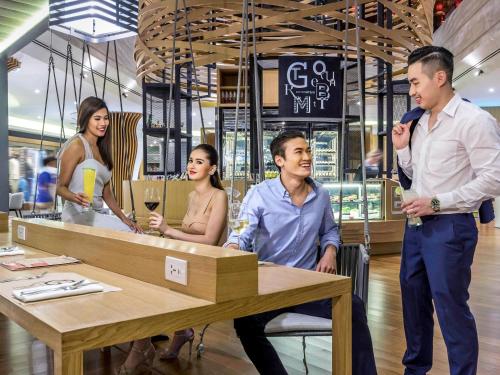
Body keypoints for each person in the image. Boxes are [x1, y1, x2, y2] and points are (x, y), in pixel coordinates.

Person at [225, 130, 377, 375]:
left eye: (308, 151)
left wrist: (330, 251)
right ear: (279, 160)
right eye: (299, 152)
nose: (307, 156)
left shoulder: (321, 195)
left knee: (353, 306)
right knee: (244, 322)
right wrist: (233, 247)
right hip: (269, 288)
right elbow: (241, 230)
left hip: (308, 286)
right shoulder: (258, 194)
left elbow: (330, 231)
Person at [392, 46, 500, 375]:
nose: (411, 92)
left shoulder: (474, 120)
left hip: (451, 228)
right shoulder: (419, 123)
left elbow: (494, 179)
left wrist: (436, 202)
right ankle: (415, 370)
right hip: (415, 228)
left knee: (451, 309)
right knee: (413, 302)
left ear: (439, 77)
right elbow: (417, 177)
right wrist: (401, 151)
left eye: (414, 82)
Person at [116, 144, 228, 374]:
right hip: (186, 261)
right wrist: (164, 233)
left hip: (206, 266)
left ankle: (141, 348)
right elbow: (187, 235)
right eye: (190, 160)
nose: (192, 165)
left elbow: (210, 241)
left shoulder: (220, 197)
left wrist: (168, 230)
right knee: (142, 278)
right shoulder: (191, 195)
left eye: (199, 161)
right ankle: (180, 332)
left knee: (152, 290)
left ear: (212, 168)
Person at [57, 96, 141, 233]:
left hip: (97, 213)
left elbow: (107, 193)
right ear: (85, 119)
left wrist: (123, 217)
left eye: (106, 118)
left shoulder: (103, 149)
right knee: (128, 233)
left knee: (133, 230)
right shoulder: (77, 146)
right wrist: (75, 197)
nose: (103, 123)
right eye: (97, 119)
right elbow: (60, 187)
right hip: (77, 214)